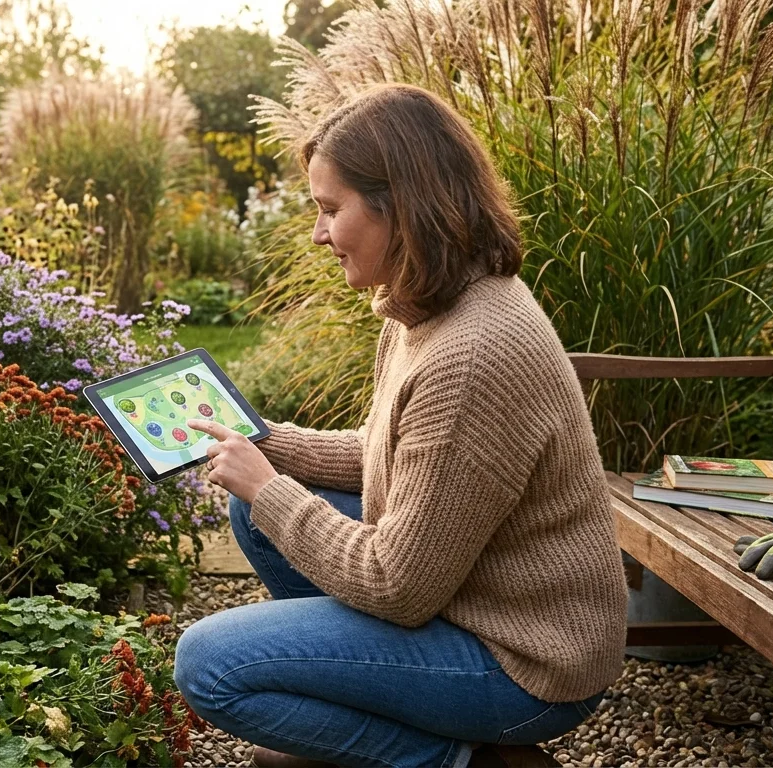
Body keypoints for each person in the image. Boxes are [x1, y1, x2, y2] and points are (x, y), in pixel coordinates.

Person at [175, 82, 628, 768]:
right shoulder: (426, 305)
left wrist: (272, 489)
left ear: (402, 208)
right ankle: (381, 709)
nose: (318, 233)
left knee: (208, 664)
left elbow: (398, 586)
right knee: (252, 516)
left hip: (528, 662)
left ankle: (463, 760)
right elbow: (399, 457)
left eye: (331, 210)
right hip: (469, 596)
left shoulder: (472, 353)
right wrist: (268, 447)